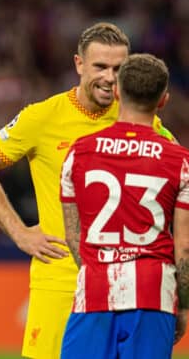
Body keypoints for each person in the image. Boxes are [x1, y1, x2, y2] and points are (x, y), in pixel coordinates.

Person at [0, 22, 175, 358]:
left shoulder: (140, 122)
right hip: (60, 279)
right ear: (79, 64)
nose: (109, 77)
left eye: (119, 69)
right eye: (100, 67)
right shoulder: (43, 117)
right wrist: (19, 232)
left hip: (125, 287)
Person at [59, 53, 189, 358]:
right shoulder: (181, 161)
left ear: (117, 92)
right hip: (154, 294)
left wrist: (99, 273)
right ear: (163, 101)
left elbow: (73, 236)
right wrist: (183, 304)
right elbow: (184, 247)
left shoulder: (79, 153)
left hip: (94, 292)